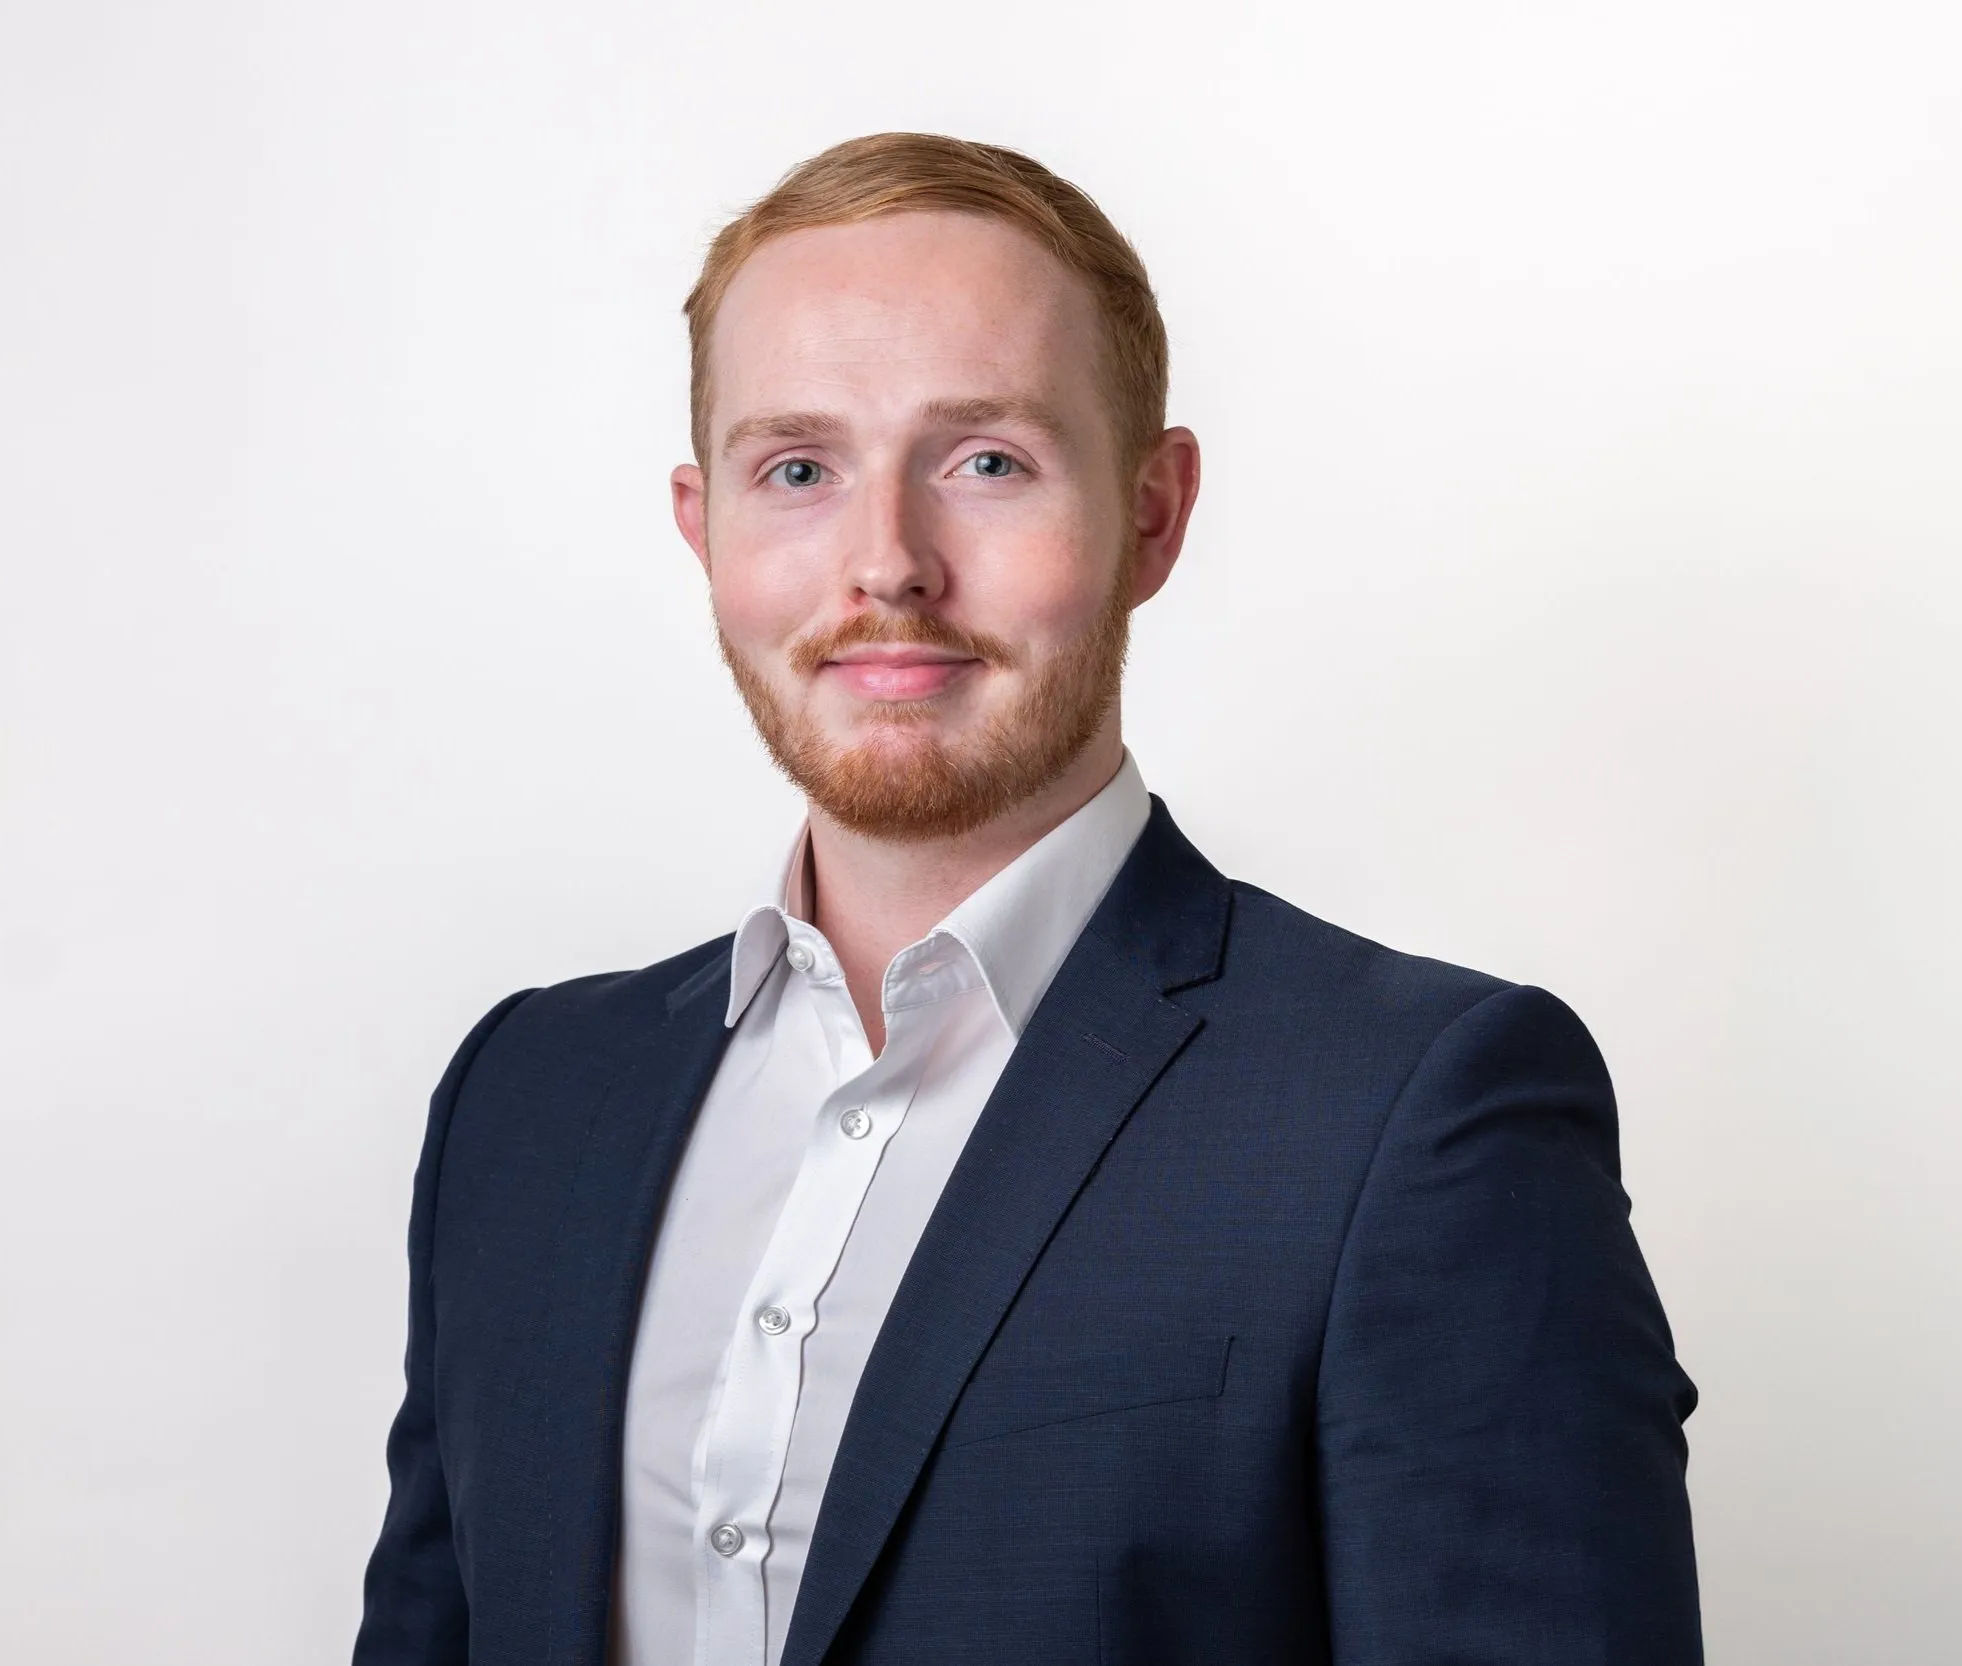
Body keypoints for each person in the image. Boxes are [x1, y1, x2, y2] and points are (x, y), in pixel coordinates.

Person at [351, 132, 1702, 1666]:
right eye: (796, 468)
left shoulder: (1415, 1116)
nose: (887, 565)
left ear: (1151, 512)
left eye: (985, 460)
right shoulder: (526, 1102)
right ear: (701, 525)